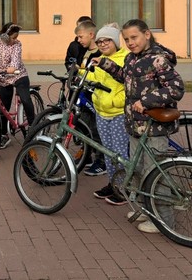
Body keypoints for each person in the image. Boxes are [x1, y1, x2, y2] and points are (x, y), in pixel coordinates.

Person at [94, 19, 185, 233]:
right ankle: (147, 209)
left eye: (134, 37)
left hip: (154, 128)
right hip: (136, 126)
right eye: (126, 39)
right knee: (139, 171)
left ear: (147, 34)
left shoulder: (158, 59)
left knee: (155, 174)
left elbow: (176, 88)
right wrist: (106, 64)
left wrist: (146, 101)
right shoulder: (132, 58)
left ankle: (163, 221)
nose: (130, 42)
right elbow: (125, 78)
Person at [86, 24, 129, 206]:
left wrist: (116, 102)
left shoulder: (125, 58)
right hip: (102, 111)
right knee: (108, 151)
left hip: (118, 112)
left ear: (115, 42)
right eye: (99, 41)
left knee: (119, 153)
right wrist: (79, 72)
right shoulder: (100, 59)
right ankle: (113, 184)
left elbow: (127, 83)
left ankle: (124, 188)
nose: (103, 44)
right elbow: (95, 78)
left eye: (107, 40)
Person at [75, 20, 106, 176]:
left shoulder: (100, 54)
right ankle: (87, 155)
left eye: (81, 36)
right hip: (85, 95)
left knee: (96, 130)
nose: (78, 40)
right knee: (86, 127)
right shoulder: (85, 52)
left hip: (97, 98)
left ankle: (101, 161)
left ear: (91, 34)